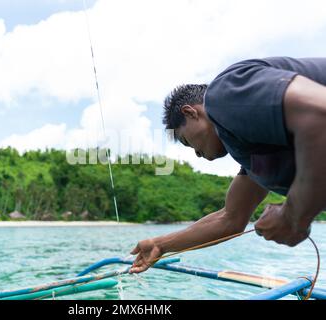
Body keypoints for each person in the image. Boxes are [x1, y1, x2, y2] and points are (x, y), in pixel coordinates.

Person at [129, 57, 326, 274]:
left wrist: (293, 215)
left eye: (187, 141)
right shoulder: (253, 148)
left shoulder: (223, 96)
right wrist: (160, 244)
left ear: (190, 112)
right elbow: (230, 219)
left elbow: (319, 114)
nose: (195, 153)